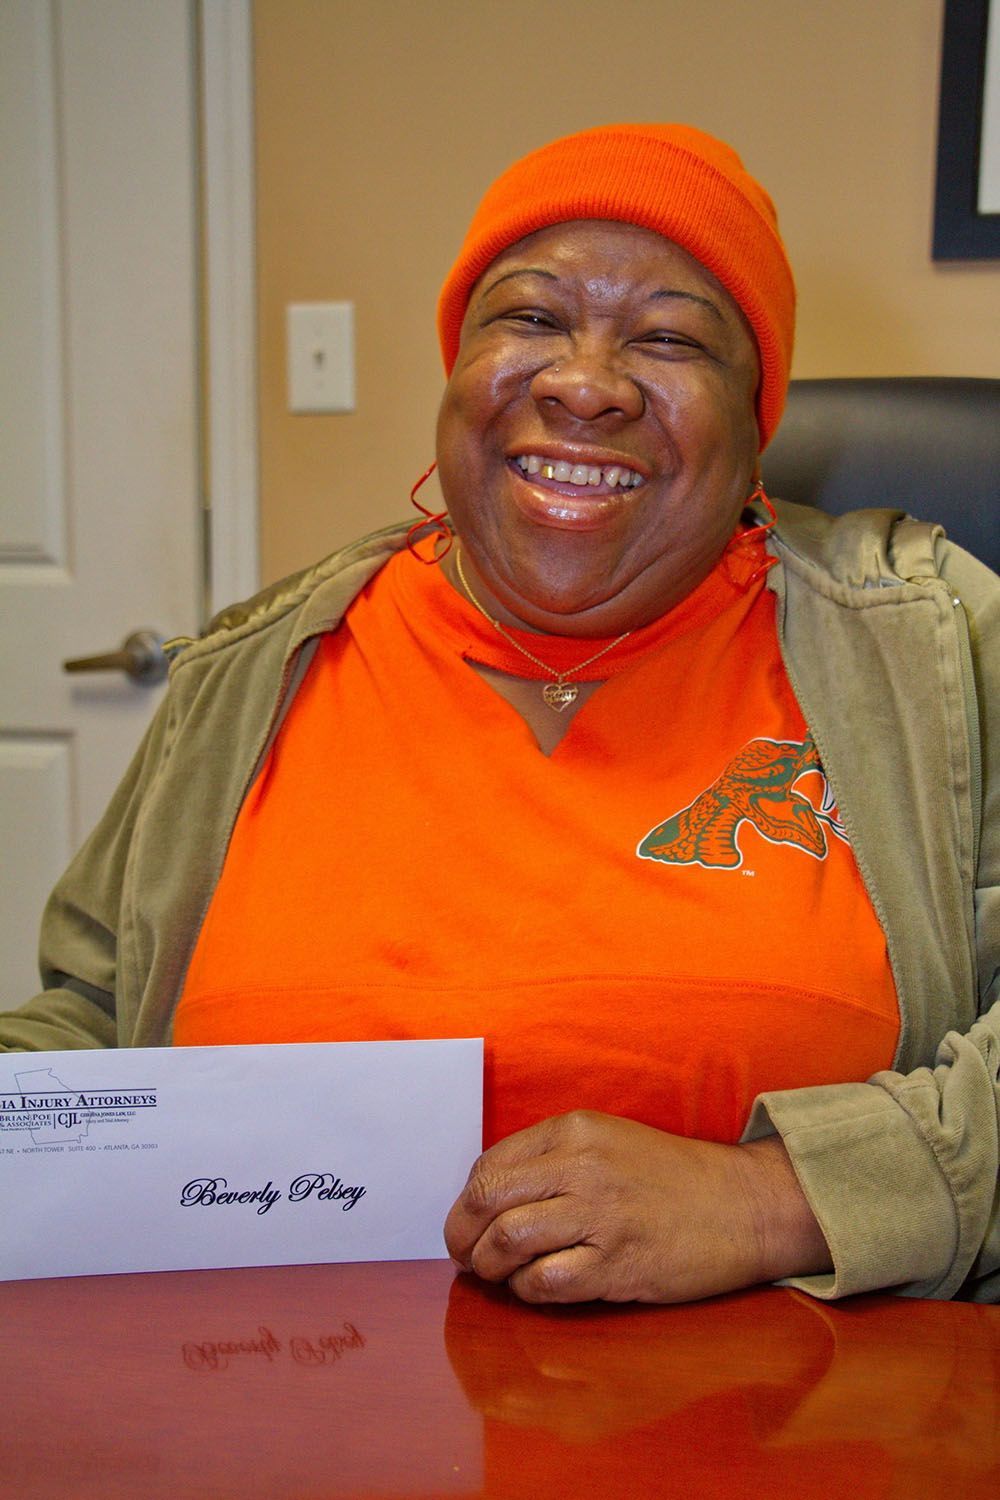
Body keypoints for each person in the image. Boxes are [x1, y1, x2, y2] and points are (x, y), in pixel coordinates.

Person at [3, 124, 997, 1305]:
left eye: (669, 338)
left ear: (753, 427)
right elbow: (90, 1017)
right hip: (277, 1385)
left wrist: (775, 1198)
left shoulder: (932, 645)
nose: (583, 382)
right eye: (528, 317)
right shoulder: (253, 667)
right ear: (456, 372)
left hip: (808, 1401)